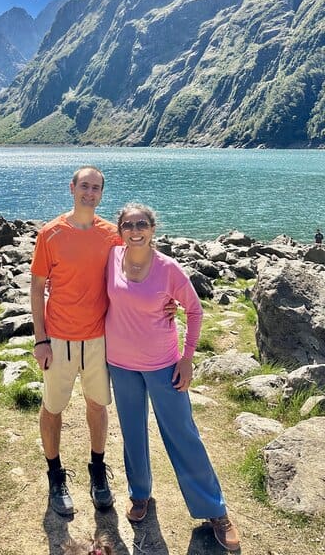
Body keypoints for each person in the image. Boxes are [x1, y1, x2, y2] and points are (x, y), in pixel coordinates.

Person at [105, 202, 240, 552]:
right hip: (120, 364)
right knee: (132, 432)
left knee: (182, 435)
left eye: (142, 224)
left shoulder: (168, 269)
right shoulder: (110, 260)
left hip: (163, 364)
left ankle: (215, 510)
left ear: (153, 228)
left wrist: (187, 358)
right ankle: (140, 494)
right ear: (120, 231)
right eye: (128, 225)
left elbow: (194, 310)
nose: (135, 230)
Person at [31, 166, 119, 516]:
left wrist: (165, 301)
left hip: (98, 338)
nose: (90, 193)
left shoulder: (112, 234)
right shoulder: (51, 234)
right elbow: (37, 288)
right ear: (72, 188)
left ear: (101, 194)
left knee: (97, 406)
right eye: (84, 186)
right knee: (53, 408)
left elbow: (134, 275)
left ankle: (97, 472)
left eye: (96, 188)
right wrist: (41, 340)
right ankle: (55, 476)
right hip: (60, 338)